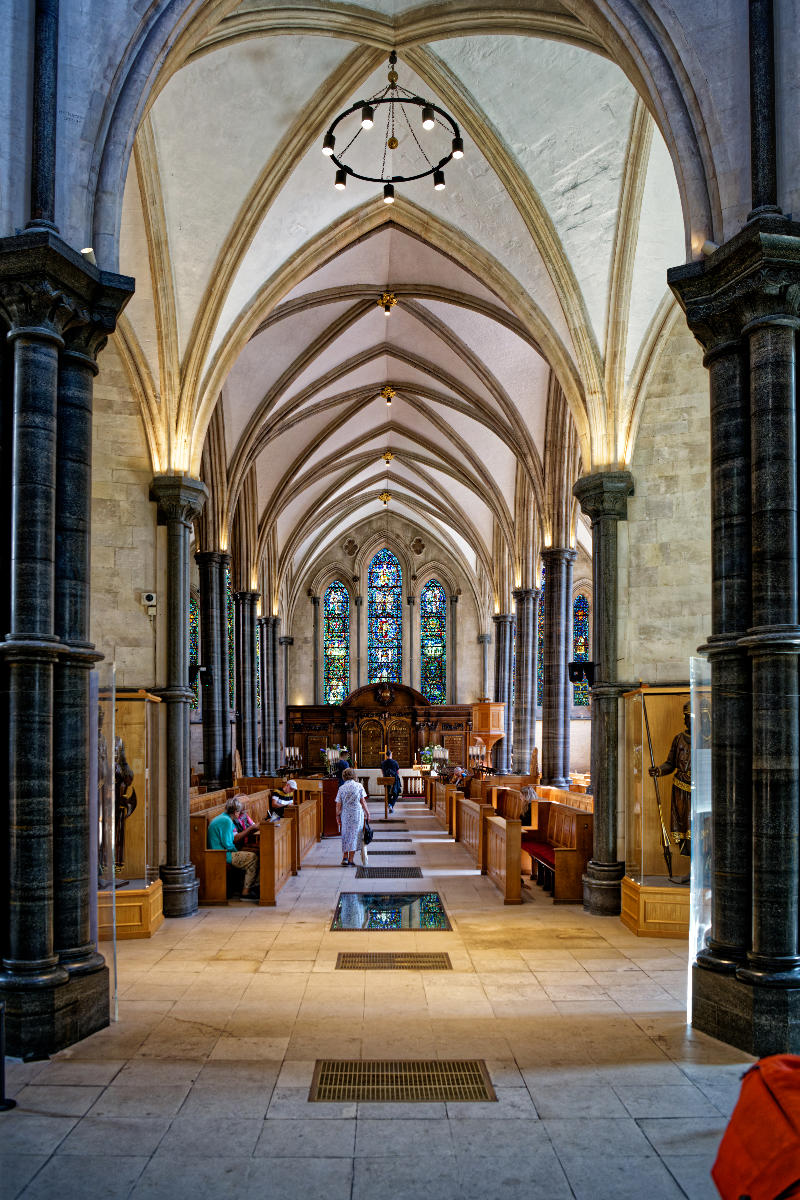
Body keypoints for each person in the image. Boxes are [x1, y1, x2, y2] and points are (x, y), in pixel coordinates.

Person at [649, 701, 691, 856]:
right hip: (680, 789)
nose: (684, 720)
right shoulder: (678, 738)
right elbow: (670, 763)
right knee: (682, 826)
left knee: (697, 827)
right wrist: (658, 770)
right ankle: (689, 864)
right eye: (685, 717)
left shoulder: (706, 740)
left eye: (687, 717)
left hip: (699, 791)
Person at [207, 796, 259, 899]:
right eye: (239, 812)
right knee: (253, 858)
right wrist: (237, 851)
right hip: (221, 854)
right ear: (235, 812)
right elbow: (228, 844)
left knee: (252, 854)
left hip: (220, 851)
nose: (239, 814)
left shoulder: (224, 817)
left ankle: (249, 887)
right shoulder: (226, 821)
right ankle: (246, 892)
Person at [336, 767, 370, 867]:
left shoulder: (341, 788)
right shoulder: (359, 786)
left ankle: (345, 858)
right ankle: (350, 860)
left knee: (346, 835)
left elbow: (338, 804)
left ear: (344, 776)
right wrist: (367, 813)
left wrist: (337, 816)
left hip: (345, 814)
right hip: (356, 814)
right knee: (355, 836)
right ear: (354, 775)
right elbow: (362, 801)